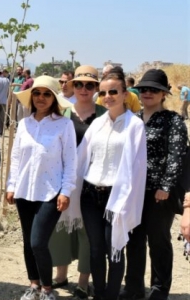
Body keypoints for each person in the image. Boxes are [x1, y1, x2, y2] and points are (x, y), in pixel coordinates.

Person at [73, 69, 147, 300]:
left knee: (115, 249)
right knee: (96, 250)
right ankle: (100, 294)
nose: (108, 96)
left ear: (125, 93)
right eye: (103, 92)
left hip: (117, 196)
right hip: (90, 195)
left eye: (113, 91)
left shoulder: (134, 126)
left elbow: (137, 169)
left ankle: (111, 295)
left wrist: (126, 201)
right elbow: (80, 157)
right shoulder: (97, 124)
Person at [7, 76, 76, 300]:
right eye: (37, 93)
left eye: (47, 94)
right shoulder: (25, 124)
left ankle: (47, 289)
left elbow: (70, 161)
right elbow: (16, 158)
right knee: (28, 241)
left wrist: (66, 191)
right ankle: (34, 285)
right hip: (24, 191)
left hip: (51, 191)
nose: (41, 98)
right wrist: (11, 186)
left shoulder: (64, 125)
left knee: (38, 241)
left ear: (54, 98)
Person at [120, 69, 188, 300]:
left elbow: (177, 156)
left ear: (163, 95)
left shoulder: (173, 120)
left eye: (154, 90)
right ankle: (134, 287)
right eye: (143, 89)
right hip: (134, 191)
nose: (147, 93)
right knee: (134, 240)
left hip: (159, 193)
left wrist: (166, 187)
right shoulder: (133, 119)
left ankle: (160, 288)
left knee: (158, 240)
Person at [48, 65, 105, 300]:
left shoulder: (104, 115)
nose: (83, 89)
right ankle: (61, 275)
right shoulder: (63, 113)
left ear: (96, 88)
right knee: (59, 229)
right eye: (79, 84)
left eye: (89, 85)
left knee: (87, 231)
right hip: (66, 178)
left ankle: (83, 280)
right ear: (72, 86)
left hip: (93, 182)